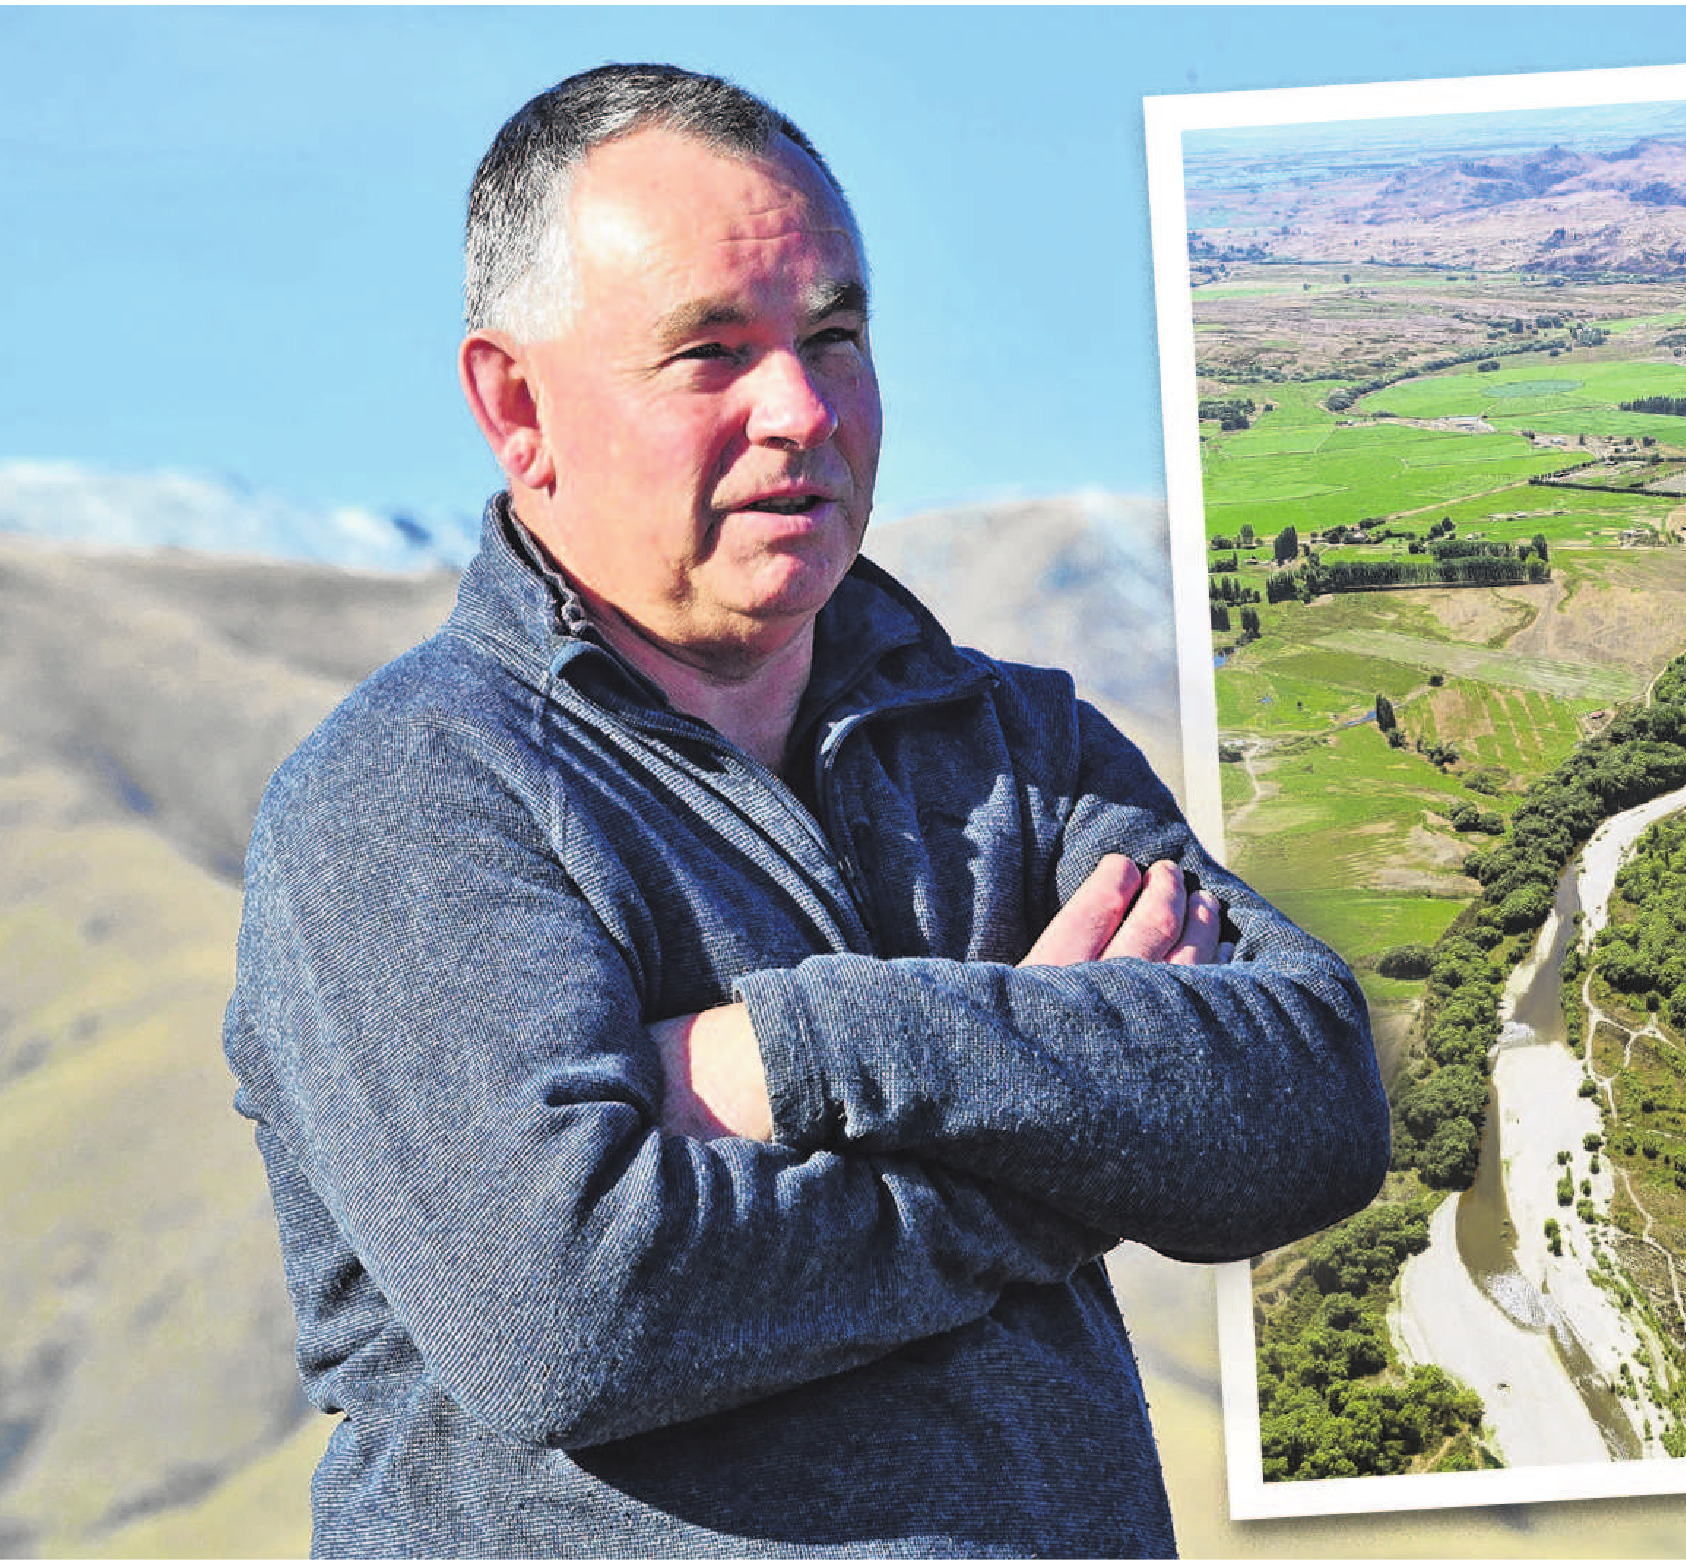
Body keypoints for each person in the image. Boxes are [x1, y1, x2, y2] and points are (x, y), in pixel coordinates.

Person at [219, 64, 1386, 1555]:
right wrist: (1051, 1156)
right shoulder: (415, 795)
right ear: (517, 407)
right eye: (711, 353)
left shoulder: (1008, 743)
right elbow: (573, 1311)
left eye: (834, 336)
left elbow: (1309, 1098)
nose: (802, 409)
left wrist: (806, 1046)